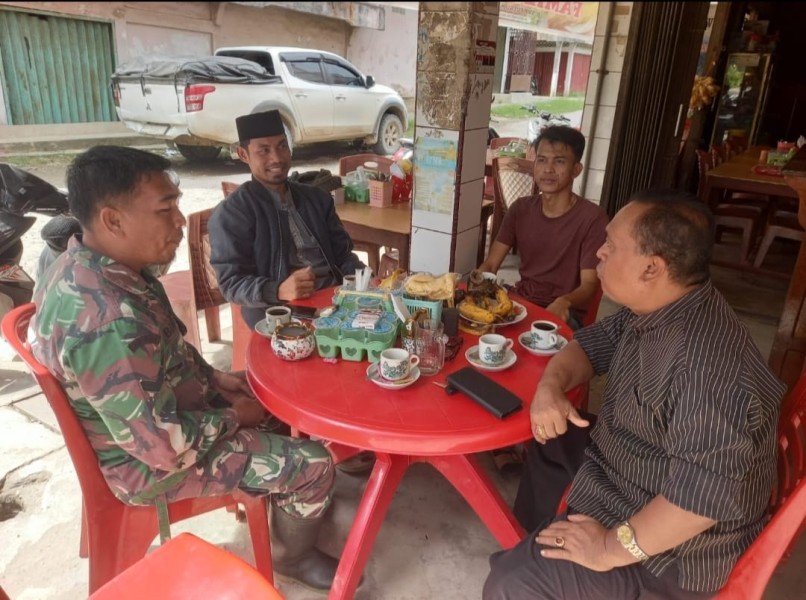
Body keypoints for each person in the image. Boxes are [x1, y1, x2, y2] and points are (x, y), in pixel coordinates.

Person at [30, 145, 342, 592]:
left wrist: (216, 379)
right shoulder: (110, 322)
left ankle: (283, 498)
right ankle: (292, 555)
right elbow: (164, 448)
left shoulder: (88, 263)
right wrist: (235, 417)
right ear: (113, 220)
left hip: (159, 414)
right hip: (148, 465)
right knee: (314, 462)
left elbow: (170, 346)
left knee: (283, 400)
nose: (181, 221)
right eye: (165, 210)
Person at [484, 190, 787, 599]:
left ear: (651, 268)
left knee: (511, 583)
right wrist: (550, 388)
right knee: (551, 435)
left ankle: (542, 568)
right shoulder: (660, 306)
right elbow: (587, 347)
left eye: (611, 245)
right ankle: (538, 542)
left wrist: (607, 549)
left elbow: (699, 502)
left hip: (675, 553)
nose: (599, 252)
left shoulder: (707, 368)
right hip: (635, 469)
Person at [207, 109, 365, 330]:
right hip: (278, 310)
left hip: (335, 300)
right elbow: (232, 283)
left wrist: (363, 282)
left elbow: (343, 255)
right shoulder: (233, 213)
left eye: (282, 146)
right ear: (244, 155)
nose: (277, 158)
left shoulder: (316, 199)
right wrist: (278, 289)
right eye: (264, 150)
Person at [479, 125, 608, 330]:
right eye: (541, 160)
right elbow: (491, 264)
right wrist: (478, 282)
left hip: (565, 311)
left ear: (576, 169)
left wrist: (564, 301)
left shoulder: (593, 218)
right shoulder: (520, 209)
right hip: (522, 301)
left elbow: (589, 285)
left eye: (559, 161)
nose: (548, 169)